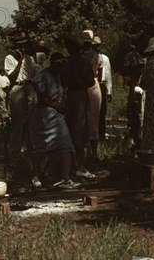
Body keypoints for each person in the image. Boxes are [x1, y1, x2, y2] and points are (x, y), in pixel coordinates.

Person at [30, 53, 80, 189]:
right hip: (43, 113)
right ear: (51, 63)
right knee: (39, 146)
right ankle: (36, 175)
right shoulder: (42, 75)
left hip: (56, 114)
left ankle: (65, 178)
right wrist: (56, 105)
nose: (60, 67)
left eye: (62, 65)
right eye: (57, 64)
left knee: (66, 143)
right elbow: (42, 97)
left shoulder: (59, 76)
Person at [62, 34, 96, 179]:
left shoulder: (69, 63)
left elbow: (89, 82)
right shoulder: (80, 62)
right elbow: (90, 82)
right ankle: (77, 165)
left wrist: (74, 83)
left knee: (76, 128)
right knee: (78, 129)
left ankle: (76, 165)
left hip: (75, 96)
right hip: (77, 96)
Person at [4, 33, 37, 160]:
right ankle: (15, 153)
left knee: (32, 122)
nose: (22, 48)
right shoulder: (9, 58)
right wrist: (20, 60)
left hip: (30, 87)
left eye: (24, 46)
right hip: (17, 87)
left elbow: (34, 76)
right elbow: (12, 77)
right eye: (19, 46)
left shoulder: (31, 59)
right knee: (17, 123)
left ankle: (31, 151)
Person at [80, 30, 102, 163]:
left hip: (90, 84)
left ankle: (93, 152)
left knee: (93, 119)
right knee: (84, 118)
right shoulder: (93, 55)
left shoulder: (94, 56)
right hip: (86, 84)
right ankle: (85, 150)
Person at [93, 36, 113, 142]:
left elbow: (108, 75)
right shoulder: (87, 57)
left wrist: (109, 91)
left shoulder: (104, 58)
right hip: (91, 84)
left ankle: (101, 134)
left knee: (102, 111)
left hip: (101, 85)